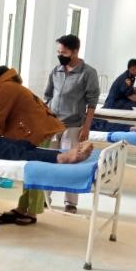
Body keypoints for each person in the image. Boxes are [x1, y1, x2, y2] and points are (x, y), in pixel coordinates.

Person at [0, 65, 65, 225]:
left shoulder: (6, 88)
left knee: (35, 172)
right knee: (28, 171)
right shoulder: (9, 85)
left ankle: (32, 212)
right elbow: (9, 117)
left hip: (39, 130)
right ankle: (22, 208)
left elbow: (0, 118)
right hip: (35, 129)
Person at [44, 34, 100, 214]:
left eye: (64, 52)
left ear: (75, 51)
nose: (60, 55)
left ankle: (71, 202)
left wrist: (86, 127)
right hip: (53, 124)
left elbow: (92, 103)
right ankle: (45, 198)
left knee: (71, 163)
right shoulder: (56, 71)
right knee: (50, 161)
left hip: (74, 125)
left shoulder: (88, 73)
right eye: (58, 52)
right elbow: (48, 96)